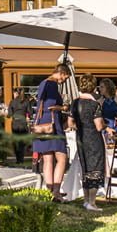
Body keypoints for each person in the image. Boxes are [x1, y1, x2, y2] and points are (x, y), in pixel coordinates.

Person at [69, 72, 105, 211]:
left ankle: (85, 200)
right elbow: (99, 125)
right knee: (95, 168)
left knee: (85, 168)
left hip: (81, 137)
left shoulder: (75, 103)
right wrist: (106, 125)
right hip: (93, 138)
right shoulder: (94, 104)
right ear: (93, 86)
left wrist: (79, 127)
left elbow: (70, 123)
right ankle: (92, 202)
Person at [31, 64, 68, 192]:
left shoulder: (43, 83)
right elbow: (51, 106)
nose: (65, 80)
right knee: (62, 158)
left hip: (42, 123)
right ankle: (56, 191)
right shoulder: (52, 84)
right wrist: (63, 107)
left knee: (47, 159)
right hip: (52, 123)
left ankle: (49, 191)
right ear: (61, 73)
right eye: (66, 77)